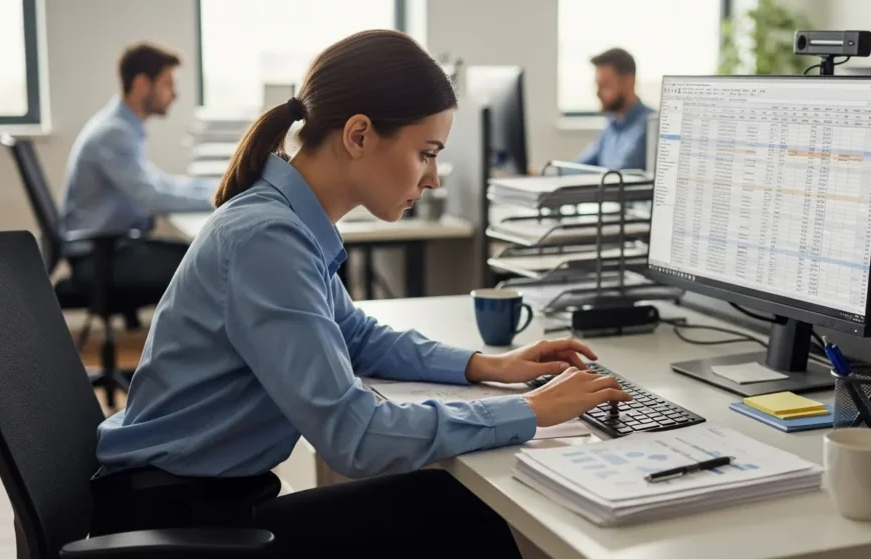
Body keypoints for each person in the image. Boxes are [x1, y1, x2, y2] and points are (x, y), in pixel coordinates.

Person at [88, 30, 631, 557]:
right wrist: (530, 410)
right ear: (359, 135)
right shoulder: (268, 239)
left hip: (201, 502)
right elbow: (355, 436)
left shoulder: (286, 221)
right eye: (426, 153)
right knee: (462, 512)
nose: (434, 179)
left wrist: (488, 366)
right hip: (178, 523)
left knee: (447, 504)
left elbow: (357, 337)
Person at [61, 42, 215, 299]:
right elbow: (152, 198)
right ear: (142, 84)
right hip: (100, 259)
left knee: (203, 255)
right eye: (167, 84)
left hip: (111, 249)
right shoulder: (114, 133)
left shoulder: (122, 126)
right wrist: (219, 198)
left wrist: (218, 187)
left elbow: (161, 184)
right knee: (208, 263)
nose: (174, 94)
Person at [576, 47, 654, 171]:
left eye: (605, 85)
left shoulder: (650, 126)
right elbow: (579, 166)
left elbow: (622, 174)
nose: (598, 93)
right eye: (598, 85)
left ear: (629, 82)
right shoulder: (611, 126)